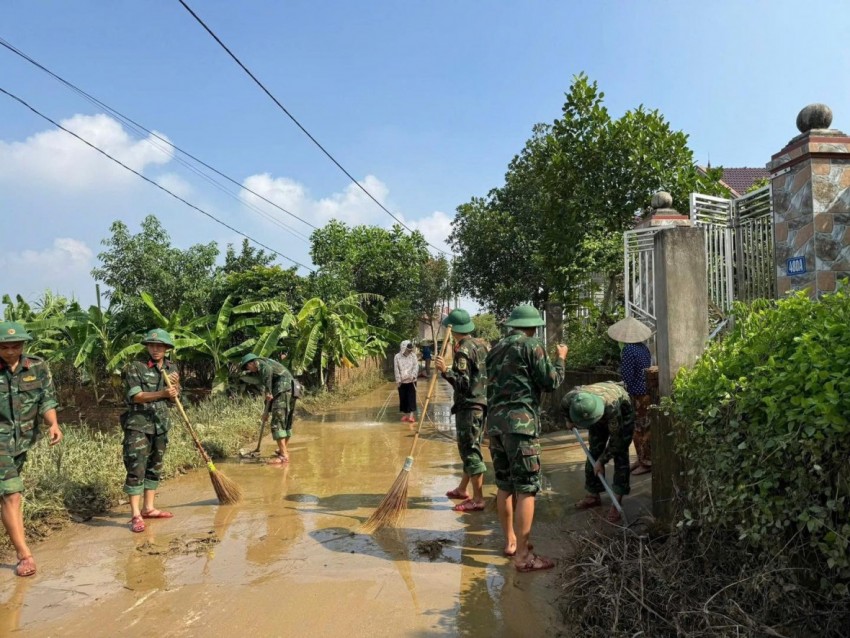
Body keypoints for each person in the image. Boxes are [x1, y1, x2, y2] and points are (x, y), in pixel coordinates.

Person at [486, 305, 567, 572]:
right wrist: (561, 360)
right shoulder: (532, 346)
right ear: (533, 327)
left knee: (504, 485)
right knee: (526, 488)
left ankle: (511, 541)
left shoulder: (495, 349)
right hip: (520, 426)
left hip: (495, 426)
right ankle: (523, 556)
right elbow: (551, 382)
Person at [0, 321, 63, 576]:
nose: (10, 351)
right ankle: (24, 554)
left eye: (15, 346)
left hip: (23, 440)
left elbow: (46, 399)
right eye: (4, 347)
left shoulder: (37, 367)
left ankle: (18, 541)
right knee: (12, 494)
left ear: (23, 345)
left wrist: (53, 424)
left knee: (11, 495)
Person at [121, 329, 179, 533]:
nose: (156, 349)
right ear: (147, 347)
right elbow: (136, 396)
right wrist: (162, 393)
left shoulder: (171, 367)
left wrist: (175, 388)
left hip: (161, 424)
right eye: (152, 346)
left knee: (155, 466)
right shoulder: (135, 367)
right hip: (139, 425)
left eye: (160, 346)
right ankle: (136, 514)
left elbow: (174, 399)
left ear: (166, 348)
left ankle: (149, 508)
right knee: (136, 467)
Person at [434, 309, 488, 513]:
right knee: (470, 447)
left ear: (453, 329)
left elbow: (463, 384)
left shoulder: (463, 350)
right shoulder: (481, 345)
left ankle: (478, 499)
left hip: (469, 406)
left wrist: (445, 371)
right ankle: (462, 489)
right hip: (481, 403)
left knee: (470, 451)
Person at [562, 381, 635, 524]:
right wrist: (568, 420)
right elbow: (564, 408)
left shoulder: (612, 408)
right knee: (594, 451)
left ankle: (617, 502)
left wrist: (602, 461)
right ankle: (593, 495)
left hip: (622, 412)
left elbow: (616, 442)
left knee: (620, 454)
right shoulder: (570, 398)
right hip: (594, 407)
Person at [607, 317, 653, 475]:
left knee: (638, 429)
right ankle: (642, 458)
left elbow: (627, 375)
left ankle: (646, 462)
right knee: (645, 427)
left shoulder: (628, 350)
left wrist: (622, 388)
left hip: (636, 394)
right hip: (646, 392)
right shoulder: (644, 348)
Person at [241, 353, 295, 464]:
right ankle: (282, 449)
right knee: (286, 421)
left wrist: (268, 391)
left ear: (251, 363)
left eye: (247, 367)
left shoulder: (261, 364)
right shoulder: (267, 362)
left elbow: (268, 374)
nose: (249, 370)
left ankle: (283, 456)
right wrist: (266, 412)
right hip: (291, 389)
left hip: (282, 389)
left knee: (277, 423)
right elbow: (269, 397)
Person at [393, 340, 418, 423]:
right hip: (402, 381)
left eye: (410, 349)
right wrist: (398, 380)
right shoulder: (397, 357)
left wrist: (413, 375)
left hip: (411, 380)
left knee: (411, 398)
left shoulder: (413, 356)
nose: (410, 351)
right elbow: (396, 369)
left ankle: (411, 416)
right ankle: (406, 415)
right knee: (403, 398)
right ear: (403, 348)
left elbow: (416, 366)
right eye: (408, 349)